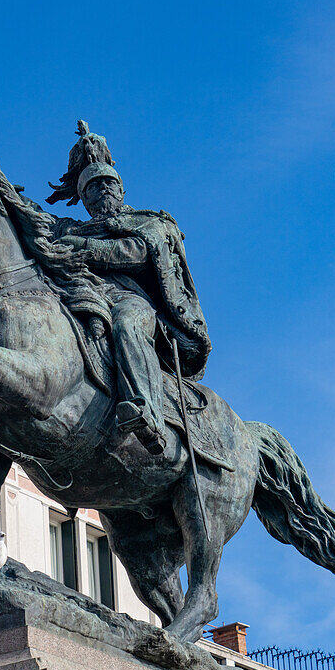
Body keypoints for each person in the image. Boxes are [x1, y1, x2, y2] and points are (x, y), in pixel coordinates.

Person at [47, 122, 211, 456]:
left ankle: (147, 411)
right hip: (83, 295)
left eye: (109, 183)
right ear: (83, 197)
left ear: (121, 190)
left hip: (131, 300)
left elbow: (136, 253)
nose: (102, 190)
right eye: (93, 187)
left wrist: (82, 247)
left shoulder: (148, 222)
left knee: (126, 326)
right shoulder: (72, 227)